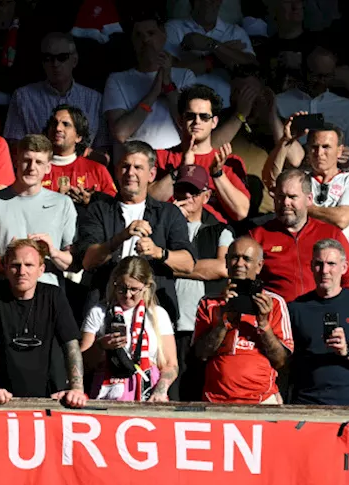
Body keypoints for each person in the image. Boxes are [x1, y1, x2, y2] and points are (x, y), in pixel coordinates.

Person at [74, 140, 195, 326]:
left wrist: (158, 252)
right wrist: (120, 238)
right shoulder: (99, 210)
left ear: (152, 174)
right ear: (116, 171)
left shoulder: (169, 213)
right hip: (103, 310)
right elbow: (88, 261)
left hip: (155, 312)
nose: (130, 173)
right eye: (125, 166)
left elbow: (188, 263)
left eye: (138, 167)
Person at [0, 240, 87, 407]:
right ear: (5, 267)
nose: (22, 271)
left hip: (50, 394)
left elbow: (70, 344)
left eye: (29, 265)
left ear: (41, 270)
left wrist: (76, 389)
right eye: (15, 265)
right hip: (6, 395)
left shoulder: (54, 296)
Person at [193, 235, 290, 404]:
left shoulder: (274, 303)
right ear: (226, 262)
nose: (239, 264)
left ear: (259, 266)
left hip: (261, 399)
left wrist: (263, 324)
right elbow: (200, 355)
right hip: (216, 399)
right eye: (234, 258)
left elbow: (280, 360)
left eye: (246, 259)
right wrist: (222, 322)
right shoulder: (209, 302)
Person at [289, 239, 349, 406]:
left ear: (344, 267)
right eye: (319, 264)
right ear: (311, 266)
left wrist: (347, 350)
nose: (325, 271)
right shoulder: (296, 308)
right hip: (306, 406)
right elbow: (283, 361)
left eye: (331, 264)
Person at [248, 168, 349, 302]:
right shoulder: (257, 237)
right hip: (276, 318)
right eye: (281, 197)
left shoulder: (331, 234)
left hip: (320, 315)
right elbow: (245, 282)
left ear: (309, 199)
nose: (286, 203)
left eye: (292, 197)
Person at [170, 164, 231, 398]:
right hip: (168, 327)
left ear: (206, 196)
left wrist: (171, 265)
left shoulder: (219, 230)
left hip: (202, 329)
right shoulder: (163, 229)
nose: (186, 197)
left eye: (193, 192)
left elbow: (222, 267)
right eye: (182, 190)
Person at [80, 257, 178, 401]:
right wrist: (101, 346)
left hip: (148, 392)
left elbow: (171, 365)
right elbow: (82, 363)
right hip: (107, 392)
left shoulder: (157, 314)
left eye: (134, 289)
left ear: (146, 286)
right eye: (121, 288)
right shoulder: (99, 312)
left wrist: (161, 390)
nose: (127, 295)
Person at [150, 85, 250, 225]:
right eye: (190, 116)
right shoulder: (161, 156)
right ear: (180, 120)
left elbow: (241, 212)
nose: (197, 121)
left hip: (212, 237)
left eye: (204, 117)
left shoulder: (227, 162)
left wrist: (218, 174)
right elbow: (147, 203)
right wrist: (181, 168)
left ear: (214, 122)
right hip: (167, 232)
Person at [266, 117, 349, 249]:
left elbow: (341, 219)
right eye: (314, 147)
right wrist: (286, 141)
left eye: (326, 147)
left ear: (339, 151)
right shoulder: (300, 178)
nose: (319, 153)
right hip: (302, 258)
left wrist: (300, 206)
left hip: (337, 263)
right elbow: (272, 182)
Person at [0, 134, 76, 284]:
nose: (32, 167)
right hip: (2, 293)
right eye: (27, 160)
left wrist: (52, 252)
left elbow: (74, 264)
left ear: (48, 168)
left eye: (39, 162)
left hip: (48, 294)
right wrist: (9, 258)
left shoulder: (63, 204)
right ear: (16, 161)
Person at [103, 15, 196, 152]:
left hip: (177, 155)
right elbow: (120, 133)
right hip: (137, 160)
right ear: (132, 42)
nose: (145, 40)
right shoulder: (117, 80)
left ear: (163, 35)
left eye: (151, 33)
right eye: (138, 35)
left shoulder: (185, 75)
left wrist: (169, 86)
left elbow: (191, 128)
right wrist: (154, 93)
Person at [4, 34, 103, 146]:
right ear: (42, 63)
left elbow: (103, 149)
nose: (55, 64)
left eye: (62, 57)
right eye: (48, 58)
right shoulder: (23, 97)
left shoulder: (95, 100)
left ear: (74, 61)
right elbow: (14, 145)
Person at [164, 0, 255, 104]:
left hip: (227, 105)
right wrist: (220, 58)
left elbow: (251, 66)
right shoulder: (173, 28)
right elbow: (169, 69)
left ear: (220, 2)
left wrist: (212, 45)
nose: (207, 2)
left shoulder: (235, 31)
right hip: (187, 106)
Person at [42, 106, 116, 203]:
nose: (58, 128)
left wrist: (90, 203)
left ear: (78, 137)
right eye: (54, 123)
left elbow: (112, 208)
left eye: (66, 124)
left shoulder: (97, 170)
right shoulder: (34, 168)